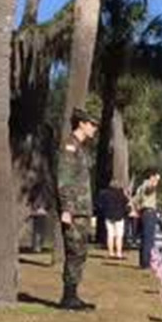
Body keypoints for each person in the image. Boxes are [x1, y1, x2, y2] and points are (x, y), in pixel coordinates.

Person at [58, 107, 100, 310]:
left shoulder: (81, 148)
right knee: (74, 251)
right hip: (74, 210)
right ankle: (68, 296)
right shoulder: (70, 147)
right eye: (92, 124)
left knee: (80, 252)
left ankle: (73, 294)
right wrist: (66, 208)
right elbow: (64, 179)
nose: (95, 128)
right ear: (81, 123)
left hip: (82, 210)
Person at [135, 169, 161, 269]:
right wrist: (155, 181)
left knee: (143, 238)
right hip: (149, 212)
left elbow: (136, 199)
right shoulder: (148, 184)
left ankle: (143, 261)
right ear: (151, 176)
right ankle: (146, 262)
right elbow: (150, 189)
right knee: (148, 239)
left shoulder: (140, 187)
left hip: (143, 212)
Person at [99, 179, 129, 260]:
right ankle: (119, 253)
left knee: (110, 235)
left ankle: (110, 252)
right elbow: (127, 204)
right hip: (119, 217)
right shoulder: (121, 194)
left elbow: (101, 204)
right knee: (119, 236)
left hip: (108, 216)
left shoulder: (105, 194)